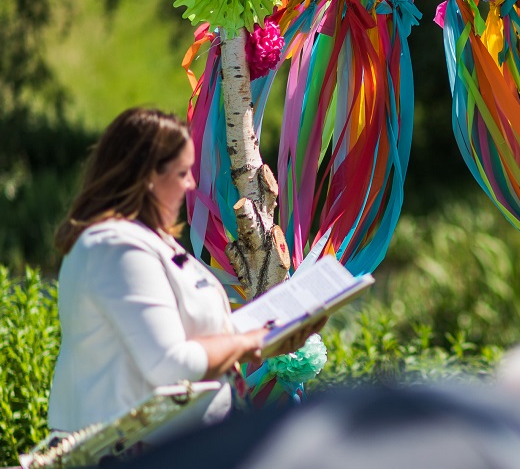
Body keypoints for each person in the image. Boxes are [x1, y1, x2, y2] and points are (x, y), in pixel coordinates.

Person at [47, 108, 319, 446]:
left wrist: (271, 331)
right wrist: (250, 344)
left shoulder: (150, 240)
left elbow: (191, 335)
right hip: (119, 452)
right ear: (146, 176)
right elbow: (172, 365)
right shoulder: (115, 247)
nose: (191, 184)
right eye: (181, 173)